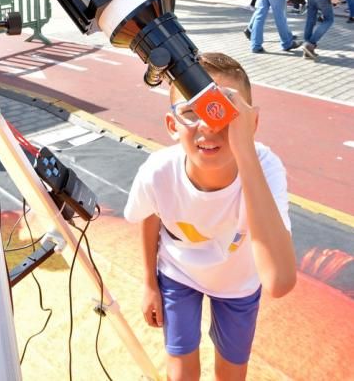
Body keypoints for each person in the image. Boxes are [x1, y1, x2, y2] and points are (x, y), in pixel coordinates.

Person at [124, 52, 296, 381]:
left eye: (223, 110)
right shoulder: (159, 171)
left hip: (238, 283)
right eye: (192, 111)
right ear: (172, 125)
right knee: (181, 371)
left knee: (232, 373)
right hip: (179, 274)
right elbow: (150, 214)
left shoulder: (266, 166)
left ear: (252, 122)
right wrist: (149, 283)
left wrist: (244, 147)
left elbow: (279, 280)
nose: (209, 123)